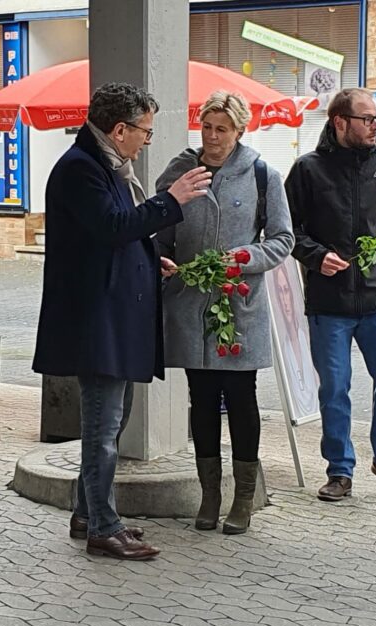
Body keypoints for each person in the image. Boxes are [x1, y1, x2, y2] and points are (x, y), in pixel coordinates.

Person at [32, 82, 212, 560]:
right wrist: (171, 199)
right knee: (102, 428)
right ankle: (102, 528)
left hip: (111, 316)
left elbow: (113, 231)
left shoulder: (106, 166)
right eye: (145, 132)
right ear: (119, 129)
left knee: (110, 424)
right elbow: (112, 228)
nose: (146, 140)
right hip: (97, 320)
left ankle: (88, 513)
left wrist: (148, 258)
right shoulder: (81, 169)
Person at [155, 91, 294, 535]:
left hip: (239, 302)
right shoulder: (180, 171)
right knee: (201, 398)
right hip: (191, 300)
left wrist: (245, 258)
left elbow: (282, 239)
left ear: (239, 130)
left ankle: (244, 496)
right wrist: (160, 258)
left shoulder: (261, 175)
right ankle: (209, 494)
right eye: (207, 127)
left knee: (240, 396)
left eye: (222, 129)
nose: (212, 137)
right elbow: (157, 227)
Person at [284, 88, 376, 504]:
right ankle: (340, 470)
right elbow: (287, 230)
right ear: (340, 122)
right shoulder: (308, 170)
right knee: (335, 388)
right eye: (368, 119)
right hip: (330, 302)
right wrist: (315, 255)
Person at [270, 264, 319, 420]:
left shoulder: (306, 337)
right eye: (280, 293)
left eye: (286, 291)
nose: (285, 301)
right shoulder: (283, 346)